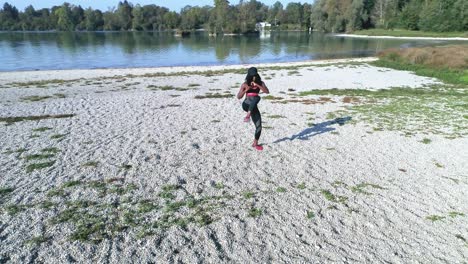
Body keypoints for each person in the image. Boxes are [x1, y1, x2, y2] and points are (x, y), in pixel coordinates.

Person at [237, 67, 270, 150]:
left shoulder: (261, 83)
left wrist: (257, 85)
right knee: (257, 98)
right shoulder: (245, 84)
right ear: (248, 76)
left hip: (253, 108)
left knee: (259, 126)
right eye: (252, 76)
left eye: (254, 75)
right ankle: (248, 114)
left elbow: (267, 91)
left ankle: (255, 143)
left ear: (257, 75)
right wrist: (246, 90)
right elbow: (239, 97)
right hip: (246, 105)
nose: (253, 77)